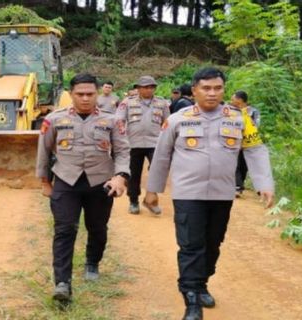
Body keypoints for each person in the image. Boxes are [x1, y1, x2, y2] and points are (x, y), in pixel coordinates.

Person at [144, 67, 275, 320]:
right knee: (191, 245)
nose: (212, 93)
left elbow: (255, 150)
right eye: (206, 88)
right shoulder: (177, 119)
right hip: (187, 193)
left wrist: (264, 183)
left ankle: (201, 283)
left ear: (224, 90)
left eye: (217, 88)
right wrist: (153, 190)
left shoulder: (239, 118)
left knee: (213, 244)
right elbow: (161, 156)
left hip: (222, 194)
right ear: (194, 91)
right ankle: (191, 298)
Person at [35, 73, 130, 302]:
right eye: (80, 94)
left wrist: (121, 176)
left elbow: (122, 151)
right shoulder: (55, 119)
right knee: (64, 230)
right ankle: (62, 282)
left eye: (90, 94)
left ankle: (92, 262)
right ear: (71, 94)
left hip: (100, 182)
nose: (86, 98)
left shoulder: (112, 120)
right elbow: (44, 151)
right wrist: (45, 182)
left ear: (97, 93)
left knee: (97, 227)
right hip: (66, 182)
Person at [116, 75, 170, 215]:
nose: (149, 90)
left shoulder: (162, 103)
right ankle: (133, 201)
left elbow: (168, 122)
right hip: (133, 143)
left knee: (157, 170)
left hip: (155, 143)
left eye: (152, 87)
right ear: (138, 88)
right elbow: (119, 120)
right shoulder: (127, 102)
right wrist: (121, 136)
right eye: (145, 87)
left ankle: (150, 199)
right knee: (134, 174)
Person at [230, 90, 261, 197]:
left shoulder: (253, 112)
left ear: (240, 100)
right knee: (236, 164)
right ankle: (237, 187)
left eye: (233, 99)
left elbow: (256, 125)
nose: (231, 101)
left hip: (249, 141)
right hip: (235, 141)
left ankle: (240, 185)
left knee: (244, 165)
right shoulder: (232, 111)